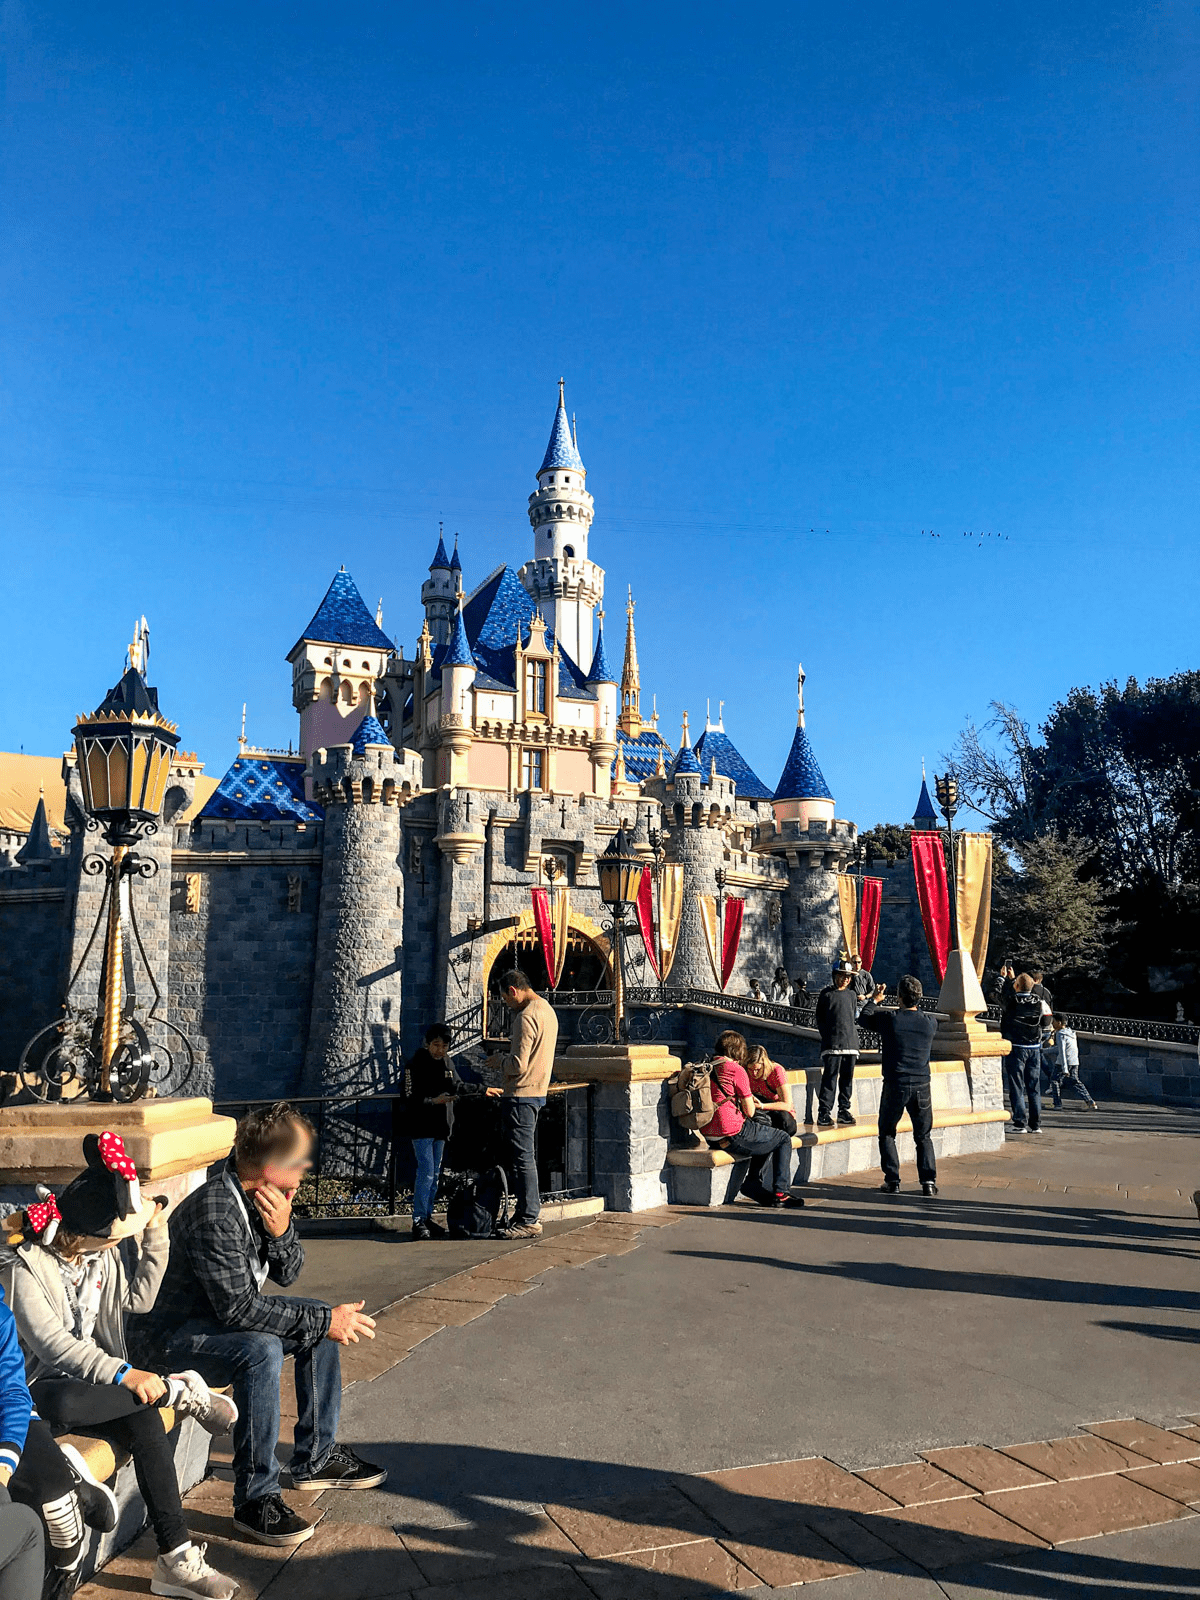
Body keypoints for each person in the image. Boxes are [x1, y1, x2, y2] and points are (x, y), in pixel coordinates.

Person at [130, 1104, 385, 1551]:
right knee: (263, 1347)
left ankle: (316, 1457)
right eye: (299, 1160)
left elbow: (288, 1275)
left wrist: (282, 1230)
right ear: (271, 1167)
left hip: (211, 1321)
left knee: (314, 1318)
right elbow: (239, 1312)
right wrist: (327, 1320)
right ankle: (255, 1497)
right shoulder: (216, 1212)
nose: (307, 1169)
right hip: (165, 1343)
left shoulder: (261, 1198)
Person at [4, 1134, 238, 1599]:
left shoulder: (100, 1256)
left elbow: (140, 1298)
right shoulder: (22, 1267)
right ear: (95, 1230)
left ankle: (175, 1556)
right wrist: (124, 1373)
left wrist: (156, 1233)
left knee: (146, 1412)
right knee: (96, 1394)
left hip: (95, 1383)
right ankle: (181, 1390)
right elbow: (52, 1349)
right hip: (42, 1389)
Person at [490, 970, 559, 1239]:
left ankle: (529, 1218)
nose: (506, 1003)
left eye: (505, 998)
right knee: (526, 1157)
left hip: (520, 1094)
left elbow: (518, 1065)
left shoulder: (526, 1016)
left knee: (522, 1159)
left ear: (513, 990)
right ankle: (525, 1214)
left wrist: (499, 1061)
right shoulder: (548, 1011)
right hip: (537, 1091)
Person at [698, 1031, 803, 1208]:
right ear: (738, 1051)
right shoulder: (736, 1070)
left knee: (766, 1132)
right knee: (782, 1139)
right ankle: (781, 1193)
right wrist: (753, 1103)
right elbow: (750, 1111)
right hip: (732, 1133)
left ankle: (753, 1183)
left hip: (710, 1135)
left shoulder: (706, 1066)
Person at [858, 976, 940, 1196]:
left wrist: (875, 999)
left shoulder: (891, 1019)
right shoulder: (930, 1022)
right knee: (923, 1135)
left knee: (886, 1132)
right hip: (922, 1084)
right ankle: (928, 1182)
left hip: (896, 1082)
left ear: (899, 997)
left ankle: (892, 1180)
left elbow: (863, 1018)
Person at [402, 1023, 457, 1240]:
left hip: (440, 1126)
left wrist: (481, 1090)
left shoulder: (447, 1063)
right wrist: (433, 1101)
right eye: (436, 1045)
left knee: (434, 1175)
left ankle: (427, 1216)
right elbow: (408, 1096)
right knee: (425, 1172)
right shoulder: (414, 1064)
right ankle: (418, 1219)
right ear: (427, 1044)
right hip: (421, 1125)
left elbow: (457, 1084)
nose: (439, 1050)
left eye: (444, 1046)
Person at [998, 972, 1051, 1133]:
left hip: (1016, 1047)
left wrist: (1003, 979)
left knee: (1016, 1085)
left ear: (1017, 986)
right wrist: (1039, 1037)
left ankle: (1019, 1123)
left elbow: (994, 994)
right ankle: (1035, 1125)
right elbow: (1047, 1022)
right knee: (1034, 1087)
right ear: (1033, 986)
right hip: (1034, 1048)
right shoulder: (1040, 1002)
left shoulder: (1011, 1001)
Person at [814, 959, 862, 1127]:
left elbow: (853, 1016)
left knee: (847, 1080)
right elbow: (819, 1018)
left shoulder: (851, 995)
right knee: (830, 1079)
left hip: (851, 1044)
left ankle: (843, 1110)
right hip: (833, 1045)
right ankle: (824, 1112)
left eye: (848, 976)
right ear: (835, 976)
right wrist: (828, 1035)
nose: (845, 979)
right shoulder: (826, 994)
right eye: (842, 976)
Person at [1043, 1015, 1097, 1109]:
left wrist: (1065, 1069)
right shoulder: (1071, 1033)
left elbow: (1062, 1051)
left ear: (1059, 1022)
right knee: (1075, 1081)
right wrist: (1044, 1051)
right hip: (1074, 1061)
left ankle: (1057, 1104)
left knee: (1054, 1080)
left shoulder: (1060, 1034)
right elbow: (1060, 1049)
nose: (1052, 1024)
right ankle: (1090, 1102)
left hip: (1062, 1062)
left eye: (1054, 1022)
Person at [744, 1044, 795, 1127]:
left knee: (786, 1123)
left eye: (757, 1069)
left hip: (774, 1108)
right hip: (755, 1110)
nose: (754, 1073)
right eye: (750, 1069)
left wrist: (762, 1106)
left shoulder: (776, 1071)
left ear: (764, 1065)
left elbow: (787, 1104)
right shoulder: (743, 1070)